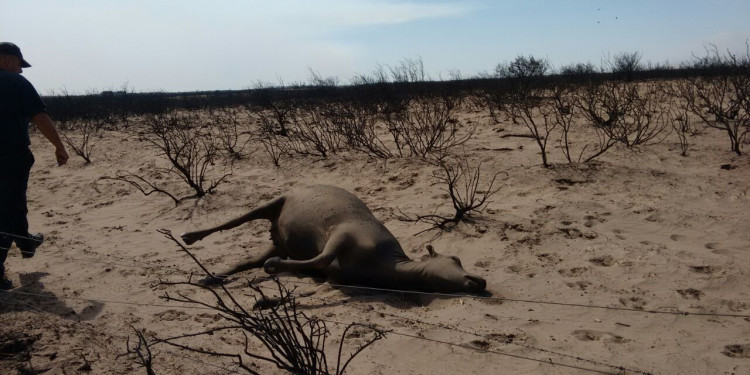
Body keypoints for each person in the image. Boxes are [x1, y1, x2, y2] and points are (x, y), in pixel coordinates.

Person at [0, 42, 69, 290]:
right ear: (8, 60)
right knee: (7, 210)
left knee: (13, 203)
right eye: (19, 64)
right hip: (9, 155)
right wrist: (59, 147)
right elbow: (39, 116)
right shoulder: (16, 83)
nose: (21, 71)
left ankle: (26, 242)